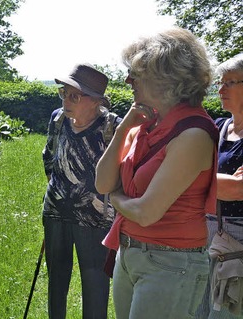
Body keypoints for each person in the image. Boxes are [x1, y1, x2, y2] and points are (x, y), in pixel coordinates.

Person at [95, 27, 218, 319]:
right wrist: (124, 127)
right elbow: (101, 181)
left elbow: (147, 212)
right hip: (130, 254)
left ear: (167, 78)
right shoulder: (145, 126)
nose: (128, 80)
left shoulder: (193, 134)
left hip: (172, 262)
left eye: (136, 73)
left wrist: (116, 199)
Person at [41, 63, 121, 319]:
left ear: (96, 101)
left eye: (74, 95)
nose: (66, 100)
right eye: (64, 92)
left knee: (96, 283)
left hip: (96, 218)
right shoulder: (58, 118)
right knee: (56, 282)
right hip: (55, 212)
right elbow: (49, 156)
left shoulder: (111, 126)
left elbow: (120, 172)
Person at [195, 53, 243, 319]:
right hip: (203, 237)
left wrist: (190, 178)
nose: (221, 90)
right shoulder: (217, 128)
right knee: (197, 312)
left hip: (237, 245)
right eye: (220, 83)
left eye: (230, 82)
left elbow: (238, 189)